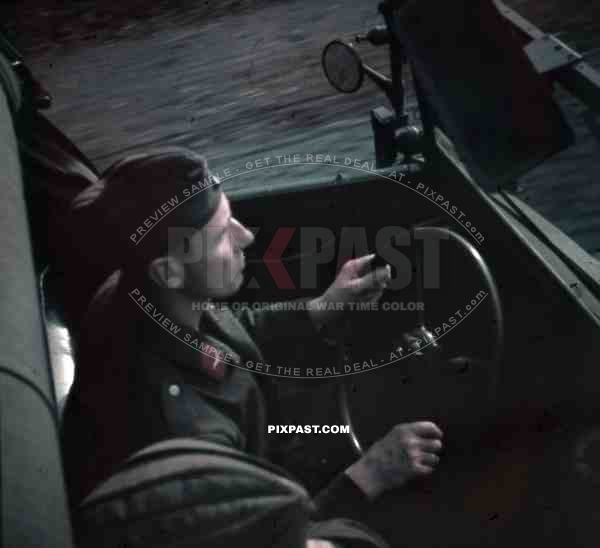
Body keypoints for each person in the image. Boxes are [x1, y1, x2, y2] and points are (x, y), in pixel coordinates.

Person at [61, 147, 444, 546]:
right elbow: (263, 536)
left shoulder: (141, 298)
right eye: (221, 235)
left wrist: (325, 306)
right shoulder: (186, 434)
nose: (245, 236)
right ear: (168, 271)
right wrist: (369, 475)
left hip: (266, 439)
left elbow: (229, 327)